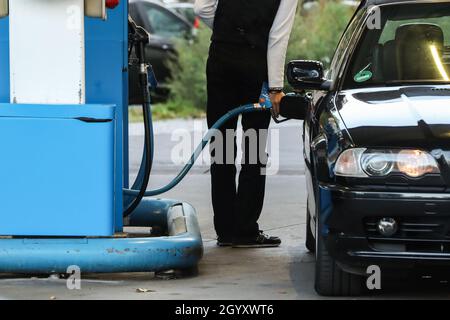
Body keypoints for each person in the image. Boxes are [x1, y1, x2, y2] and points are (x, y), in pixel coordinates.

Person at [194, 0, 298, 248]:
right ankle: (245, 229)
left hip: (221, 58)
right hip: (255, 63)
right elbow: (277, 37)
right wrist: (275, 88)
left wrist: (226, 32)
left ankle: (226, 230)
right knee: (254, 148)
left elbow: (202, 9)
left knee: (221, 145)